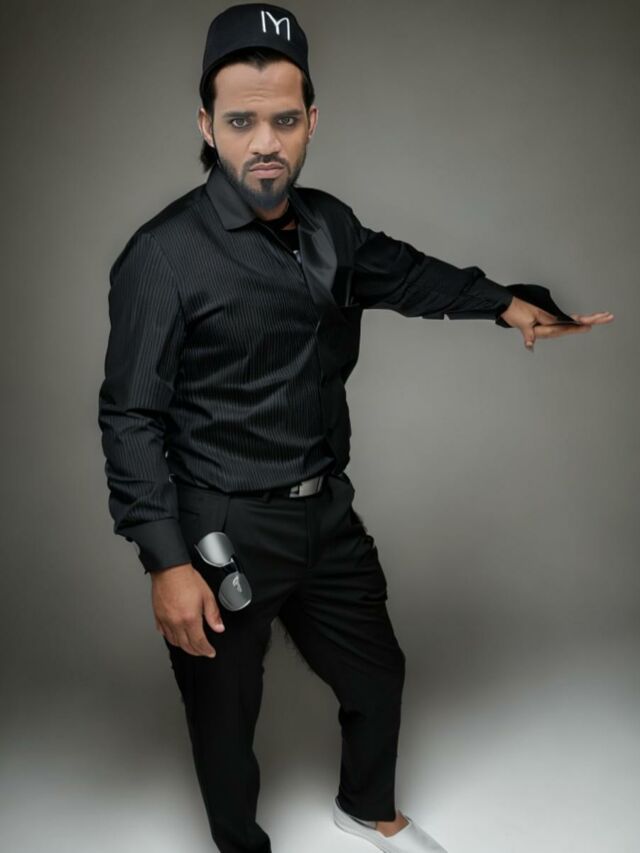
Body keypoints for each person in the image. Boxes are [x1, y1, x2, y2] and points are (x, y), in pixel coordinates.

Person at [97, 5, 614, 852]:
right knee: (225, 718)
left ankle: (367, 806)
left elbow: (405, 274)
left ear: (311, 121)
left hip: (324, 511)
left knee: (378, 672)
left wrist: (507, 304)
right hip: (221, 522)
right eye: (241, 121)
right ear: (206, 125)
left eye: (284, 119)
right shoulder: (162, 255)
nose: (265, 142)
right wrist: (166, 559)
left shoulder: (329, 225)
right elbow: (129, 414)